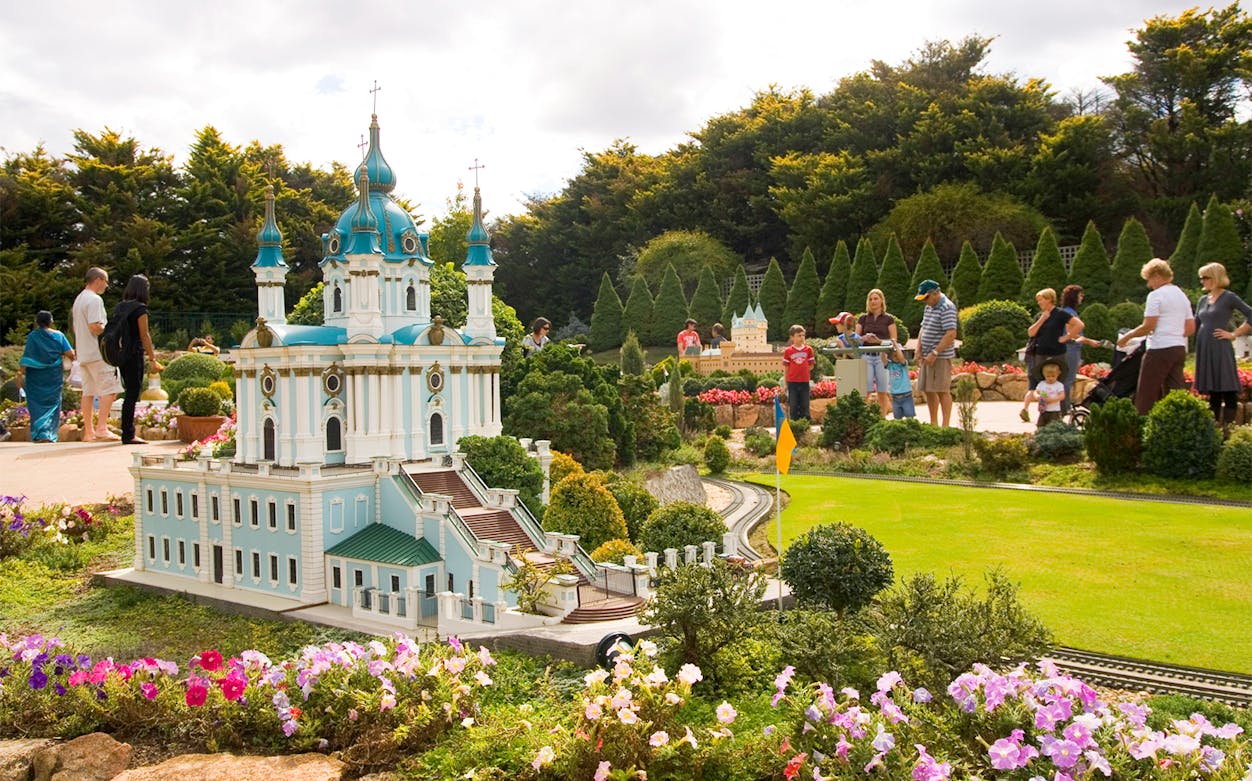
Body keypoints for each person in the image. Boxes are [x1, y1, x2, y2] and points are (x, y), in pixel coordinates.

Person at [1118, 259, 1194, 416]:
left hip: (1159, 348)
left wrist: (1127, 337)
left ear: (1157, 275)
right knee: (1175, 392)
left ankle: (1141, 427)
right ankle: (1178, 423)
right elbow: (1190, 328)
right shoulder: (1181, 295)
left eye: (1149, 280)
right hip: (1178, 348)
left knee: (1147, 392)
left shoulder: (1156, 295)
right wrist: (1173, 333)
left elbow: (1148, 326)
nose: (1149, 285)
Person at [1193, 262, 1252, 427]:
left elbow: (1250, 314)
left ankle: (1229, 428)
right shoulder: (1203, 300)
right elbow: (1194, 324)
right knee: (1213, 391)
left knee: (1226, 385)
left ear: (1216, 278)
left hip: (1220, 346)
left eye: (1206, 277)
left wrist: (1234, 334)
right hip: (1204, 347)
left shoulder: (1229, 297)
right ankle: (1213, 430)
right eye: (1201, 278)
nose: (1202, 281)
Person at [71, 267, 123, 441]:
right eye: (106, 281)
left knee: (88, 392)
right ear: (99, 279)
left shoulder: (79, 299)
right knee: (110, 390)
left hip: (84, 353)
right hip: (98, 353)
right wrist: (112, 333)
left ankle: (89, 432)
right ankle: (101, 427)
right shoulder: (94, 300)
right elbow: (95, 326)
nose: (106, 286)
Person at [113, 275, 164, 445]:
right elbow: (144, 334)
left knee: (128, 392)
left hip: (121, 354)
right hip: (134, 353)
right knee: (132, 394)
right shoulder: (140, 309)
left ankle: (126, 431)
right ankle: (128, 434)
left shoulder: (120, 307)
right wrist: (152, 358)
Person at [15, 311, 75, 443]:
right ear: (51, 321)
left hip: (35, 377)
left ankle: (39, 433)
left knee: (36, 403)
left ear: (37, 322)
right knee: (53, 404)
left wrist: (19, 374)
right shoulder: (59, 336)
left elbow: (27, 357)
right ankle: (48, 434)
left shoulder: (32, 336)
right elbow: (70, 353)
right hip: (53, 375)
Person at [914, 279, 958, 427]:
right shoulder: (929, 307)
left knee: (941, 389)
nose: (925, 301)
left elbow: (951, 333)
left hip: (940, 357)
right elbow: (923, 328)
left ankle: (945, 426)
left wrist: (935, 352)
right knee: (929, 389)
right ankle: (934, 423)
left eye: (926, 298)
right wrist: (918, 349)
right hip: (927, 355)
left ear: (935, 293)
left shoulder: (947, 307)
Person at [1026, 288, 1083, 390]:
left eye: (1041, 299)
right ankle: (1044, 404)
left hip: (1057, 353)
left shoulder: (1060, 313)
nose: (1039, 303)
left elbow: (1079, 325)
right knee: (1042, 382)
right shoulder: (1040, 315)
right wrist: (1042, 319)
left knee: (1059, 383)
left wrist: (1067, 337)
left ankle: (1061, 405)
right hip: (1041, 353)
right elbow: (1031, 333)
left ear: (1049, 299)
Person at [1058, 285, 1104, 412]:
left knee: (1066, 379)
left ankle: (1062, 407)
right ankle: (1064, 408)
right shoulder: (1069, 313)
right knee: (1067, 380)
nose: (1082, 298)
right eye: (1080, 295)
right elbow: (1070, 333)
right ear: (1074, 297)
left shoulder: (1068, 312)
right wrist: (1088, 341)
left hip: (1070, 349)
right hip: (1070, 349)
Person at [856, 288, 898, 416]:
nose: (873, 301)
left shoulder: (888, 319)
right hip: (866, 356)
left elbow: (894, 340)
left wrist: (879, 341)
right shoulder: (863, 318)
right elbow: (855, 338)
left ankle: (882, 418)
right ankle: (862, 417)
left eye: (876, 298)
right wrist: (863, 338)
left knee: (882, 391)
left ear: (881, 301)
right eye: (871, 299)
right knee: (866, 390)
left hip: (882, 357)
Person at [1022, 358, 1066, 429]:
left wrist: (1052, 400)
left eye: (1053, 376)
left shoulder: (1059, 385)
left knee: (1053, 427)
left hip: (1054, 410)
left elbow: (1062, 396)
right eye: (1048, 376)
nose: (1050, 378)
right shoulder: (1042, 384)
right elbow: (1036, 392)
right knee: (1041, 425)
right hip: (1043, 409)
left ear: (1058, 375)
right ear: (1044, 375)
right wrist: (1037, 397)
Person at [782, 324, 814, 421]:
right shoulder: (788, 351)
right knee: (794, 404)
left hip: (804, 381)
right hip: (792, 382)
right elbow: (786, 368)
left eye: (803, 335)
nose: (801, 338)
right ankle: (794, 425)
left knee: (805, 404)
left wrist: (802, 371)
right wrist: (785, 383)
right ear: (792, 337)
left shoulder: (808, 350)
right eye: (799, 335)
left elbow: (811, 365)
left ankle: (805, 425)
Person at [886, 344, 915, 420]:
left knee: (910, 418)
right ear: (891, 357)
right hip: (895, 397)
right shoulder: (890, 365)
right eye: (894, 356)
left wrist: (896, 345)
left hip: (906, 395)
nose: (897, 357)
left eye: (898, 355)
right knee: (897, 418)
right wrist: (884, 350)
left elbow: (901, 358)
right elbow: (883, 360)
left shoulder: (903, 364)